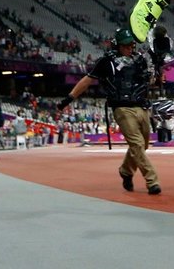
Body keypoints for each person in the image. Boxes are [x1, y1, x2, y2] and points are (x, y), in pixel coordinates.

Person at [58, 27, 161, 194]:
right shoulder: (106, 62)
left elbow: (149, 82)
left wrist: (157, 77)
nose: (129, 48)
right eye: (126, 45)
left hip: (142, 107)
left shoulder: (140, 61)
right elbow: (87, 80)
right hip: (122, 109)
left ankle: (126, 171)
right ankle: (152, 181)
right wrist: (69, 98)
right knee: (137, 144)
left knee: (143, 145)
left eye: (131, 45)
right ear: (118, 46)